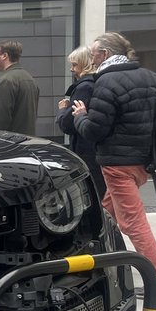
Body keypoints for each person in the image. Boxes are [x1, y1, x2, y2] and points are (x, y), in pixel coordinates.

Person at [71, 31, 156, 301]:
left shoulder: (108, 82)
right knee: (105, 213)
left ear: (104, 54)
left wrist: (80, 116)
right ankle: (94, 262)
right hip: (145, 162)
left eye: (93, 53)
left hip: (118, 163)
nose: (91, 58)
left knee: (132, 222)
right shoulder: (153, 78)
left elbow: (94, 131)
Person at [55, 46, 106, 201]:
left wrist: (63, 110)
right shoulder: (98, 83)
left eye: (75, 65)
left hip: (85, 151)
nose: (72, 69)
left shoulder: (84, 87)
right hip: (96, 149)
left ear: (86, 64)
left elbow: (68, 125)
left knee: (90, 196)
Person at [0, 40, 40, 135]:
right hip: (26, 141)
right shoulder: (29, 79)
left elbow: (0, 120)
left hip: (8, 144)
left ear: (4, 56)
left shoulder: (6, 81)